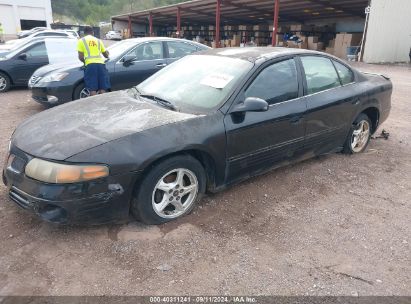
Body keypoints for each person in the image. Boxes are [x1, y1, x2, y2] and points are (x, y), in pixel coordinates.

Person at [77, 26, 110, 96]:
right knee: (102, 87)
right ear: (93, 32)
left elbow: (80, 57)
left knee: (92, 88)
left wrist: (85, 62)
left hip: (90, 65)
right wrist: (107, 53)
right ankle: (103, 104)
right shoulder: (98, 40)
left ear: (84, 33)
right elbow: (106, 55)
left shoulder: (81, 41)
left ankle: (95, 105)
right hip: (101, 65)